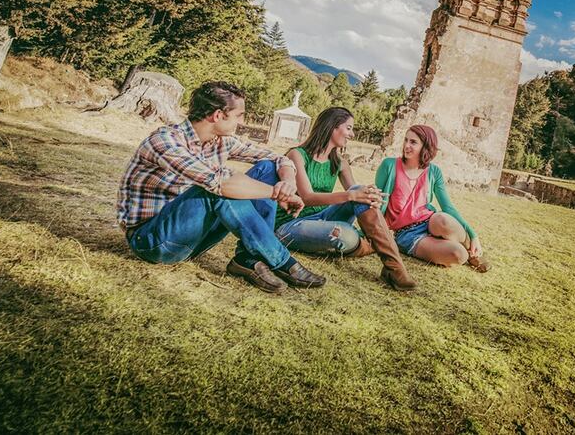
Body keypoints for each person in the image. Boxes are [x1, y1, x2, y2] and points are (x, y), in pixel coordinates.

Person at [116, 81, 325, 294]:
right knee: (216, 189)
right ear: (218, 115)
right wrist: (277, 194)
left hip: (194, 240)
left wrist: (288, 184)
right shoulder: (165, 141)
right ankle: (282, 261)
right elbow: (219, 183)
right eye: (239, 115)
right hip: (153, 241)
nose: (242, 122)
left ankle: (248, 259)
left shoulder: (221, 141)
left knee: (267, 169)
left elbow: (278, 158)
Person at [274, 107, 417, 291]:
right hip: (291, 224)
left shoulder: (340, 162)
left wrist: (369, 195)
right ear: (332, 126)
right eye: (348, 128)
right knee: (346, 235)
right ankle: (366, 244)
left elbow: (357, 196)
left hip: (325, 217)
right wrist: (351, 195)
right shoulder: (297, 155)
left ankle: (395, 268)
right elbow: (307, 197)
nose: (352, 134)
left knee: (359, 192)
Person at [374, 125, 489, 271]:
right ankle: (463, 252)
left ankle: (474, 251)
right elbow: (376, 202)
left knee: (443, 219)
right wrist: (371, 232)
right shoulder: (389, 165)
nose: (407, 145)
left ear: (426, 146)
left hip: (430, 222)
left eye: (413, 142)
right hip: (407, 233)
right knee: (458, 255)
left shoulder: (434, 171)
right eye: (406, 140)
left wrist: (473, 235)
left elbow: (447, 207)